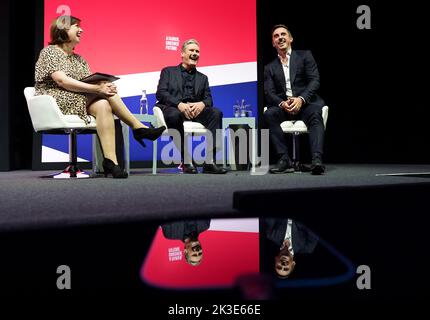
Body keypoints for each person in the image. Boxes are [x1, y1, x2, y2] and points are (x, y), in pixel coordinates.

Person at [34, 15, 165, 178]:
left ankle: (111, 162)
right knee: (103, 90)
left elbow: (89, 82)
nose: (81, 30)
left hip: (77, 98)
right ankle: (138, 127)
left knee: (104, 103)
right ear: (63, 29)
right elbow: (61, 80)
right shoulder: (50, 52)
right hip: (54, 99)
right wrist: (98, 88)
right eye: (76, 26)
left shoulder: (79, 59)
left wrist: (103, 87)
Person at [155, 39, 227, 174]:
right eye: (191, 50)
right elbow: (161, 93)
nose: (195, 53)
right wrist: (179, 104)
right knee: (173, 115)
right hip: (175, 109)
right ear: (182, 53)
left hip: (195, 112)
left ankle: (209, 162)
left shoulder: (203, 78)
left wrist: (202, 104)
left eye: (197, 51)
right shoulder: (168, 72)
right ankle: (186, 160)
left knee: (216, 113)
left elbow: (208, 99)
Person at [264, 24, 326, 175]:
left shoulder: (305, 56)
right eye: (276, 36)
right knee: (269, 114)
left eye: (283, 34)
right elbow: (269, 92)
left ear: (290, 38)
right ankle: (284, 159)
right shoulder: (270, 67)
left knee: (315, 114)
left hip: (306, 103)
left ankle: (316, 160)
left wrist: (301, 99)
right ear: (273, 42)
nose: (280, 37)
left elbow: (314, 81)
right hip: (284, 107)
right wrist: (282, 103)